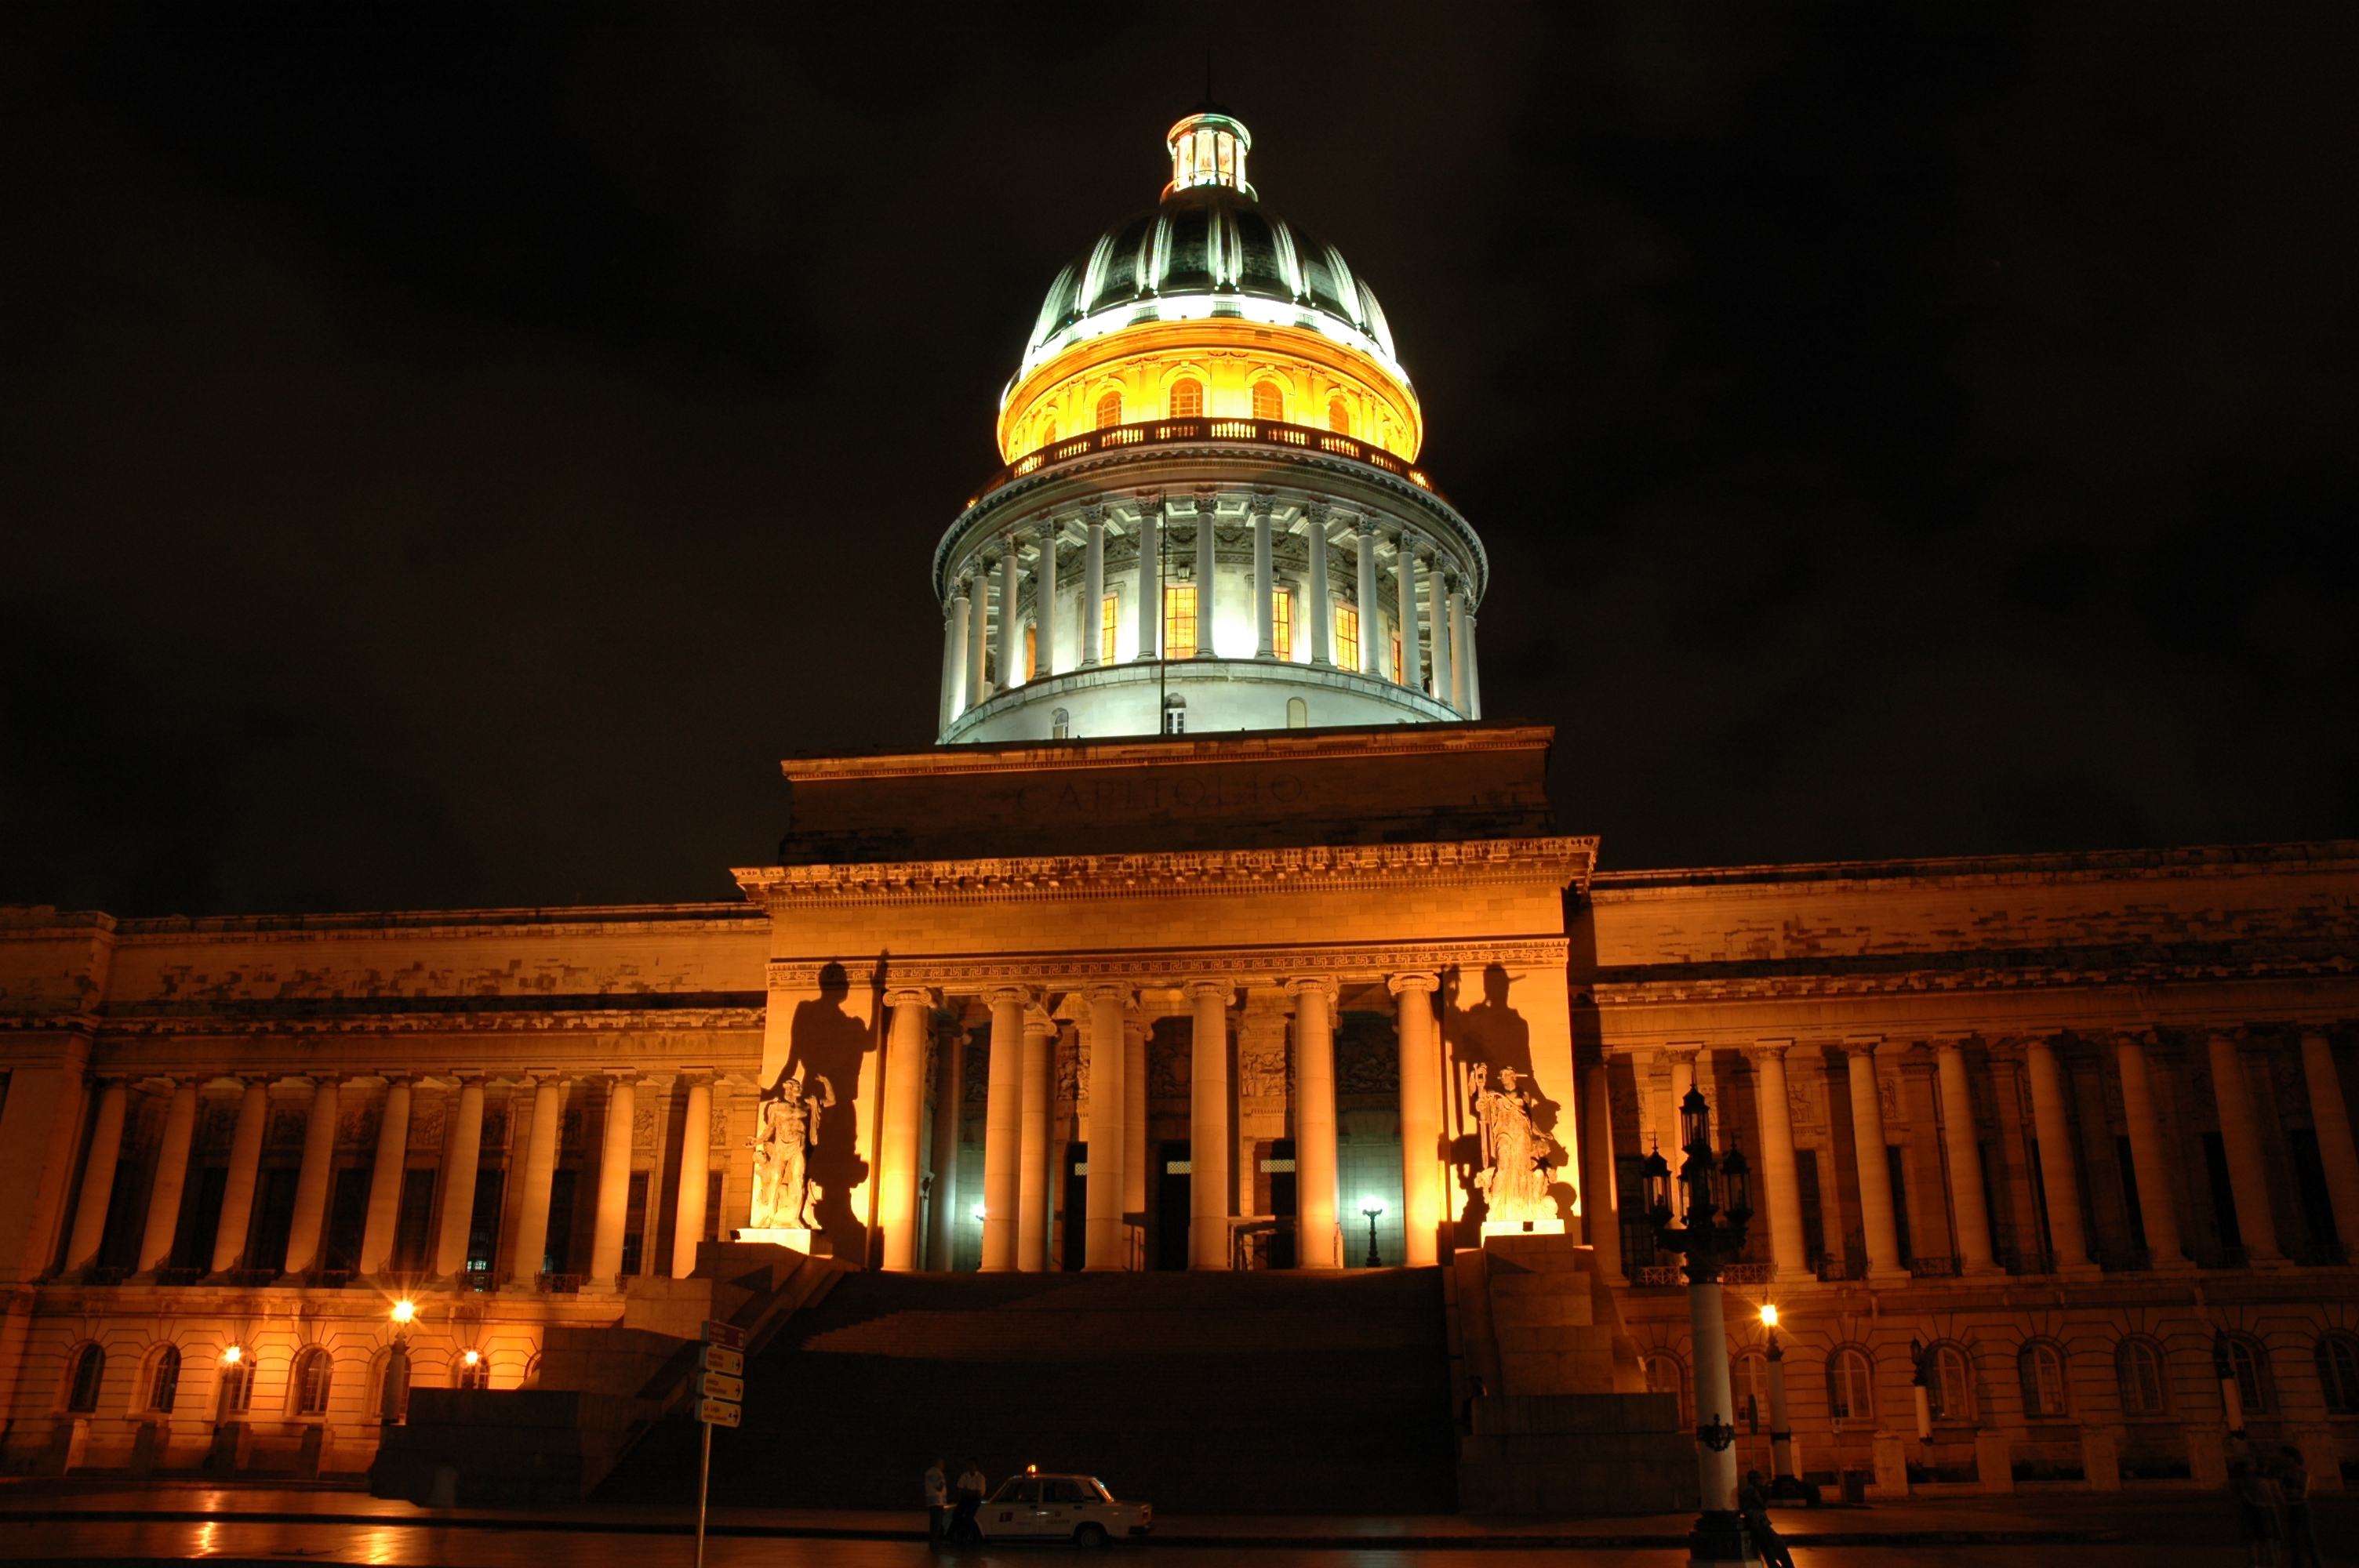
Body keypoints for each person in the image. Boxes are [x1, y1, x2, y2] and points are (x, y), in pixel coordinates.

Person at [2232, 1455, 2283, 1567]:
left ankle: (2257, 1564)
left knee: (2257, 1541)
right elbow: (2278, 1497)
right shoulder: (2267, 1481)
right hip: (2267, 1509)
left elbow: (2241, 1495)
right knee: (2270, 1540)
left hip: (2255, 1509)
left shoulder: (2246, 1480)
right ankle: (2272, 1564)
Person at [1739, 1470, 1796, 1568]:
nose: (1761, 1482)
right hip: (1760, 1524)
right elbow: (1763, 1505)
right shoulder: (1751, 1491)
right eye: (1760, 1480)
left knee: (1769, 1550)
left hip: (1758, 1524)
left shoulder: (1751, 1489)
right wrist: (1766, 1493)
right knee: (1777, 1547)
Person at [2279, 1446, 2321, 1568]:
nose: (2284, 1460)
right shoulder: (2284, 1473)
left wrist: (2287, 1492)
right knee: (2293, 1541)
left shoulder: (2303, 1473)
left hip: (2301, 1507)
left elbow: (2302, 1493)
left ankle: (2318, 1565)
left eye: (2287, 1457)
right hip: (2291, 1507)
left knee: (2309, 1539)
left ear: (2294, 1458)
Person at [951, 1457, 987, 1542]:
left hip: (974, 1500)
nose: (970, 1466)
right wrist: (972, 1491)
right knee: (956, 1515)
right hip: (965, 1499)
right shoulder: (964, 1476)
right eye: (969, 1464)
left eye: (972, 1465)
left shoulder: (980, 1477)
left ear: (976, 1466)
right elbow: (960, 1490)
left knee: (969, 1517)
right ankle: (960, 1533)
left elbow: (979, 1493)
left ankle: (966, 1535)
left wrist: (966, 1490)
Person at [923, 1457, 949, 1548]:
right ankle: (935, 1542)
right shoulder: (938, 1473)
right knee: (937, 1523)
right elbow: (939, 1487)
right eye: (942, 1464)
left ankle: (932, 1541)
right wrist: (943, 1481)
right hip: (938, 1501)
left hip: (931, 1501)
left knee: (933, 1522)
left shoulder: (928, 1472)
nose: (943, 1466)